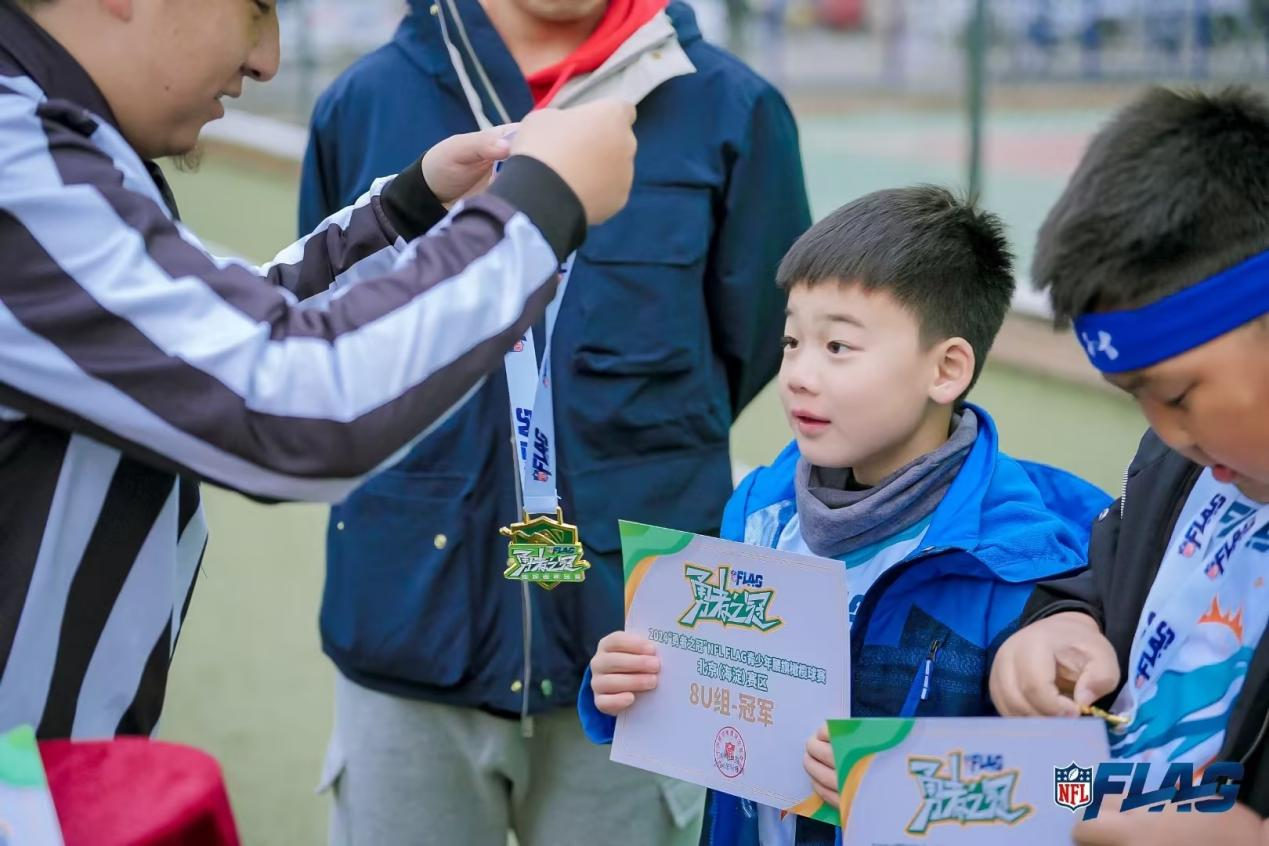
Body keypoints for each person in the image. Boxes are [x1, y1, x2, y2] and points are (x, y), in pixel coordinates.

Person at [0, 0, 637, 740]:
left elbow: (215, 338)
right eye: (257, 8)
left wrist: (407, 211)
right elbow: (295, 404)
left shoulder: (48, 142)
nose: (267, 60)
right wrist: (539, 206)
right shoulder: (17, 164)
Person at [300, 1, 810, 844]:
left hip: (636, 651)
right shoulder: (365, 103)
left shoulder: (732, 107)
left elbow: (754, 342)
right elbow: (325, 338)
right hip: (407, 624)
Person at [582, 186, 1111, 845]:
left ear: (945, 369)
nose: (798, 375)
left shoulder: (1025, 565)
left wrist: (909, 790)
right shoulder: (761, 509)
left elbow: (1072, 792)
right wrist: (631, 684)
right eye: (791, 341)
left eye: (837, 346)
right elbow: (723, 716)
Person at [988, 86, 1269, 845]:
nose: (1163, 431)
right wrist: (1058, 627)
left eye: (1176, 395)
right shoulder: (1174, 464)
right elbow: (1106, 580)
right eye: (1134, 399)